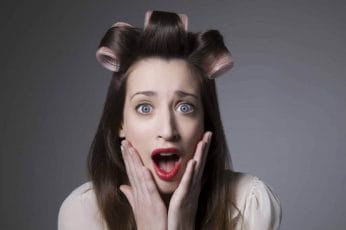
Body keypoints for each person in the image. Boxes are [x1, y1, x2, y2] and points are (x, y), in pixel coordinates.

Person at [58, 10, 281, 230]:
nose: (167, 130)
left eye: (185, 107)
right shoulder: (84, 212)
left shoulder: (249, 204)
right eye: (144, 107)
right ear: (119, 123)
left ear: (205, 121)